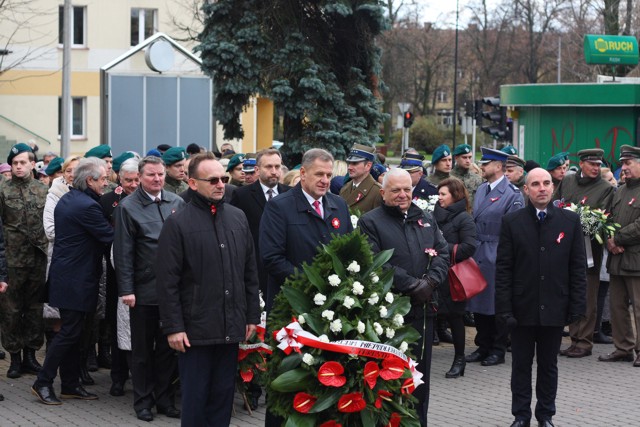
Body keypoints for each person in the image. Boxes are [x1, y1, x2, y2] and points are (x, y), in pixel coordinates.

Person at [156, 153, 260, 426]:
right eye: (212, 179)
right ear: (192, 183)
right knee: (196, 401)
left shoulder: (237, 218)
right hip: (195, 331)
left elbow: (249, 272)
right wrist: (173, 327)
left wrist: (251, 316)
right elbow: (167, 281)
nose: (220, 184)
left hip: (229, 328)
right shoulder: (177, 223)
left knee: (222, 400)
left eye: (224, 178)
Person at [260, 148, 352, 427]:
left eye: (329, 174)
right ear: (302, 174)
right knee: (286, 383)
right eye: (319, 174)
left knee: (323, 380)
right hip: (292, 311)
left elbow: (349, 252)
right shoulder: (280, 207)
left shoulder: (339, 205)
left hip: (329, 313)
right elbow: (272, 258)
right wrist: (312, 285)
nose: (325, 180)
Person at [496, 168, 586, 427]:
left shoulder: (569, 221)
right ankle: (521, 416)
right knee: (520, 366)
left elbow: (577, 267)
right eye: (535, 184)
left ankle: (545, 415)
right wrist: (504, 308)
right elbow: (503, 269)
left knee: (549, 366)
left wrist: (576, 306)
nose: (542, 188)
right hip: (521, 308)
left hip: (555, 307)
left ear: (553, 187)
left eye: (546, 183)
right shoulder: (512, 222)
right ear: (526, 189)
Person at [359, 168, 449, 426]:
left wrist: (430, 282)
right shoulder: (371, 221)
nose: (402, 195)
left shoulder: (426, 218)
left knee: (419, 379)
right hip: (389, 315)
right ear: (383, 192)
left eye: (407, 189)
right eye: (396, 190)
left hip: (423, 310)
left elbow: (442, 253)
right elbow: (376, 261)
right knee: (390, 379)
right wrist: (411, 285)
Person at [31, 157, 114, 405]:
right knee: (69, 333)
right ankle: (43, 381)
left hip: (71, 276)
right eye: (103, 179)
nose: (106, 184)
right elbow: (109, 236)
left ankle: (69, 384)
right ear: (90, 180)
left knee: (74, 332)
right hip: (75, 279)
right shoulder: (86, 206)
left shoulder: (72, 198)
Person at [113, 156, 185, 422]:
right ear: (140, 177)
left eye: (161, 175)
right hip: (143, 291)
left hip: (172, 291)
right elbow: (123, 253)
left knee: (168, 349)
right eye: (151, 175)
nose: (157, 179)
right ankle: (143, 402)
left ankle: (164, 399)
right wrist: (127, 290)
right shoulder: (128, 207)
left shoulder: (176, 202)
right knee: (142, 351)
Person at [466, 147, 524, 367]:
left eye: (486, 163)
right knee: (479, 302)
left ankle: (498, 349)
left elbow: (514, 231)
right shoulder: (482, 189)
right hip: (479, 251)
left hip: (497, 251)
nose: (481, 167)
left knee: (497, 304)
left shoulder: (512, 194)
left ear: (498, 166)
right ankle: (483, 345)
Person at [556, 148, 614, 359]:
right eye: (592, 164)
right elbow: (556, 203)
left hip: (590, 251)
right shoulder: (568, 181)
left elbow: (603, 217)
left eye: (599, 165)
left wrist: (582, 221)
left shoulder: (606, 188)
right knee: (571, 294)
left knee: (588, 296)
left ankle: (585, 341)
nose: (596, 168)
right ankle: (573, 339)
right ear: (581, 163)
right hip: (566, 249)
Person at [0, 143, 48, 379]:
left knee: (34, 309)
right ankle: (15, 358)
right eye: (15, 163)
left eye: (23, 162)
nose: (19, 167)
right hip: (11, 259)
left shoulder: (42, 190)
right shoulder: (2, 190)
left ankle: (31, 355)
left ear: (32, 164)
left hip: (37, 259)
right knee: (10, 311)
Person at [99, 157, 140, 397]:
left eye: (136, 180)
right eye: (128, 181)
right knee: (117, 326)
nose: (133, 185)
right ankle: (118, 376)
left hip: (143, 275)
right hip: (115, 273)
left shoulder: (150, 200)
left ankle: (142, 374)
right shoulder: (108, 201)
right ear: (118, 179)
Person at [432, 178, 477, 378]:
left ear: (455, 195)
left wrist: (440, 250)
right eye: (439, 194)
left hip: (453, 277)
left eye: (443, 194)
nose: (439, 198)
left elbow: (469, 247)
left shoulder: (464, 219)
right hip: (434, 273)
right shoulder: (432, 215)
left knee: (455, 318)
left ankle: (459, 360)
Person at [230, 149, 290, 295]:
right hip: (255, 267)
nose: (274, 171)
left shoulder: (291, 193)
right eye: (269, 167)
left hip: (286, 268)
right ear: (257, 169)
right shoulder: (242, 195)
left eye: (277, 166)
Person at [602, 145, 640, 365]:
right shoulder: (621, 190)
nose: (623, 168)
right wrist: (609, 239)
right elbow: (608, 218)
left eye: (628, 163)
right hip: (617, 259)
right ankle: (623, 348)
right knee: (617, 307)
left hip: (635, 259)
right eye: (622, 163)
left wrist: (618, 238)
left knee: (638, 307)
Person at [339, 143, 382, 213]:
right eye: (349, 163)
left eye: (355, 163)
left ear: (368, 166)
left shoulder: (377, 192)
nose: (349, 167)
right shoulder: (345, 188)